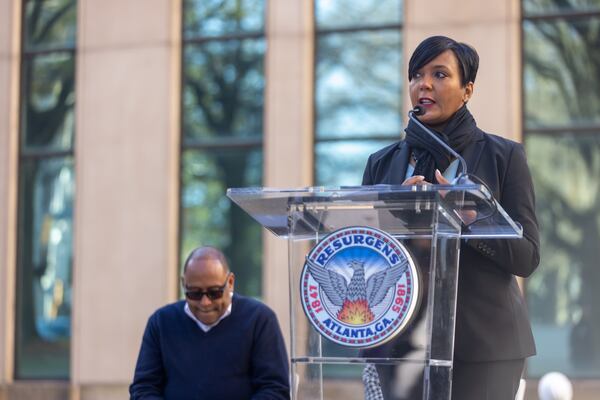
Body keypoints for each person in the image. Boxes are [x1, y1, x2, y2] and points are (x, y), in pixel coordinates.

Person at [362, 36, 540, 399]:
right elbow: (368, 258)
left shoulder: (503, 156)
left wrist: (470, 221)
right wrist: (400, 219)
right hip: (401, 343)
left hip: (485, 346)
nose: (423, 84)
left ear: (467, 90)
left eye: (439, 74)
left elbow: (527, 257)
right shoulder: (382, 164)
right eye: (416, 75)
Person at [129, 246, 290, 400]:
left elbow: (275, 390)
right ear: (183, 284)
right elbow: (143, 389)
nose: (205, 302)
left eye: (215, 292)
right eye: (194, 293)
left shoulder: (259, 320)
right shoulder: (161, 323)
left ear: (231, 282)